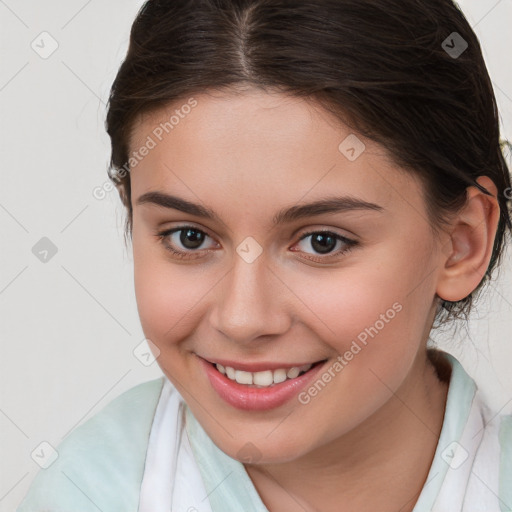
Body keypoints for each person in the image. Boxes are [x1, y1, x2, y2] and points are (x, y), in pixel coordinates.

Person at [17, 0, 512, 511]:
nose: (243, 319)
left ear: (461, 242)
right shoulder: (84, 493)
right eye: (189, 237)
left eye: (323, 241)